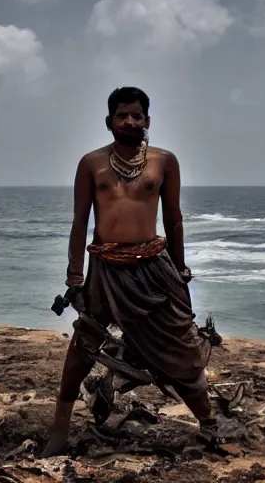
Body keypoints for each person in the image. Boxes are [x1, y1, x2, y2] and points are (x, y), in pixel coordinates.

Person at [42, 86, 218, 457]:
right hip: (105, 270)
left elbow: (174, 220)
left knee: (181, 346)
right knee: (84, 345)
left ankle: (210, 424)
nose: (130, 121)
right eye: (122, 115)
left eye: (137, 115)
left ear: (147, 120)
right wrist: (75, 278)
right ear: (109, 122)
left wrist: (181, 272)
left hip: (155, 269)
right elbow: (79, 222)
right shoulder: (91, 163)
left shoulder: (164, 161)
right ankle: (59, 431)